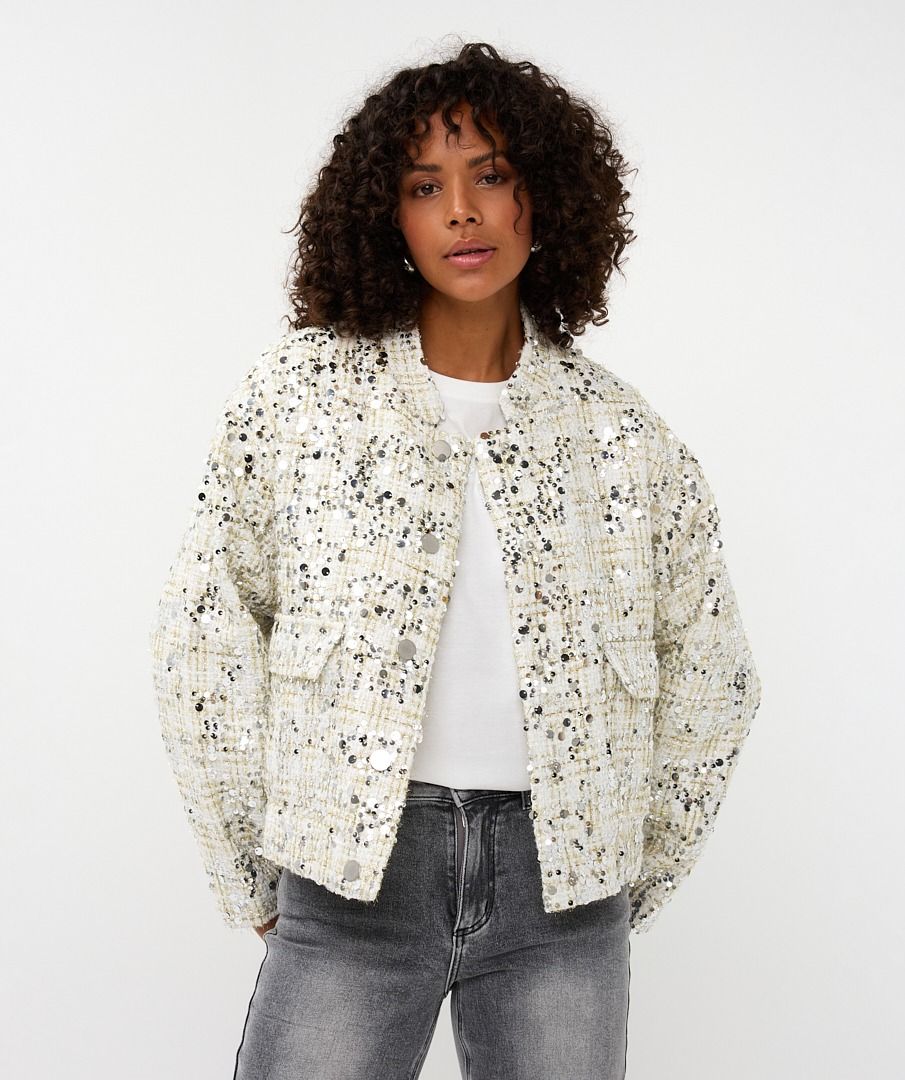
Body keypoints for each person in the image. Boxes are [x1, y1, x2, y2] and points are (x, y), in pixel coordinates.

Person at [149, 40, 762, 1080]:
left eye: (491, 175)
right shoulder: (303, 396)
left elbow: (714, 669)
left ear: (543, 196)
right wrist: (251, 861)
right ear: (386, 215)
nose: (462, 213)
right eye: (425, 186)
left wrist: (627, 867)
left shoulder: (621, 434)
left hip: (559, 893)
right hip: (351, 870)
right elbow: (203, 626)